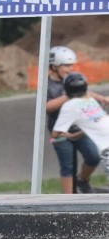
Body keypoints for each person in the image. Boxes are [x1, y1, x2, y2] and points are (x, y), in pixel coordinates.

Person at [45, 45, 107, 193]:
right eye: (66, 65)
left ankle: (82, 180)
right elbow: (47, 107)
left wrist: (103, 98)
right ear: (54, 67)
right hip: (60, 132)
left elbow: (85, 93)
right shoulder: (47, 85)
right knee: (68, 166)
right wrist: (69, 95)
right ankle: (68, 197)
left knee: (93, 156)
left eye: (71, 65)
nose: (70, 68)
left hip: (79, 129)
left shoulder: (72, 80)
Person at [51, 73, 109, 190]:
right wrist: (74, 135)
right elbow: (95, 126)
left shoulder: (69, 106)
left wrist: (66, 134)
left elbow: (55, 133)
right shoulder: (90, 100)